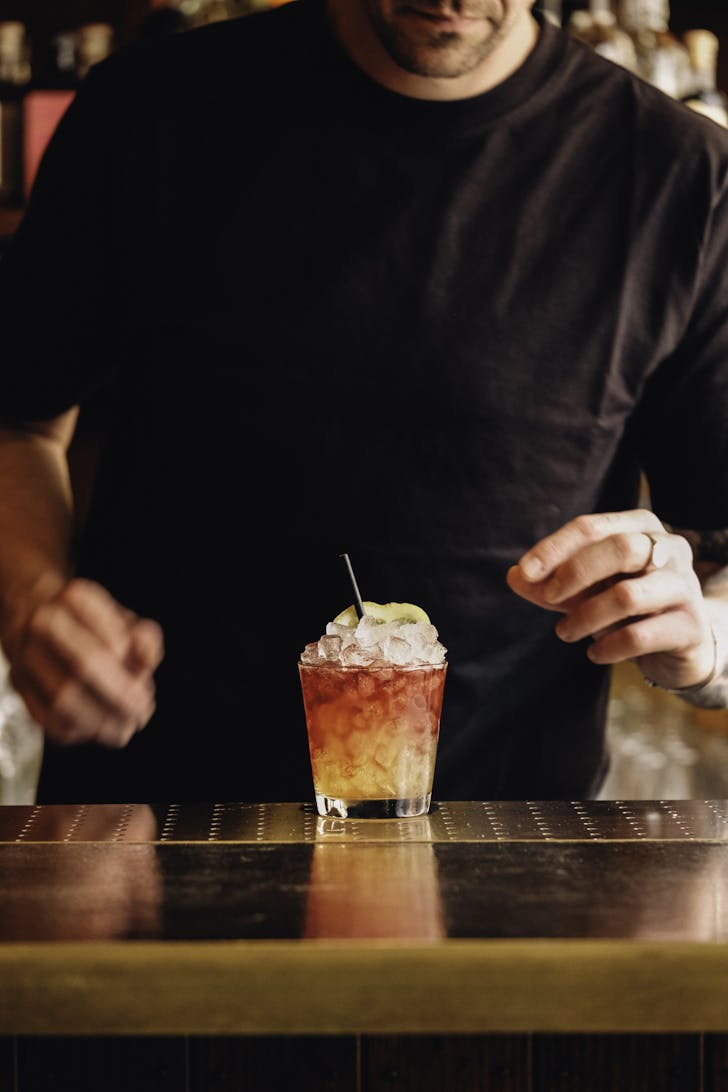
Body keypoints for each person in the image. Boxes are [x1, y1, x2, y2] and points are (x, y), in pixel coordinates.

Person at [0, 0, 726, 805]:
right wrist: (31, 600)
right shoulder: (146, 110)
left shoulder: (680, 172)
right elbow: (18, 419)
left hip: (505, 839)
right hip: (155, 814)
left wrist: (702, 642)